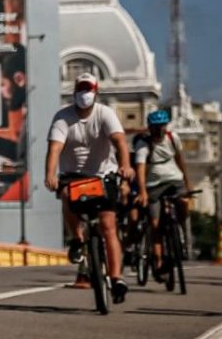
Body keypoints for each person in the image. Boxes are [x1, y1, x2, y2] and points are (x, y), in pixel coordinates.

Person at [45, 73, 134, 304]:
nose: (84, 94)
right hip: (73, 176)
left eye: (88, 89)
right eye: (80, 89)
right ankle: (77, 238)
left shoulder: (105, 114)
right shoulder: (63, 117)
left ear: (96, 92)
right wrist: (50, 175)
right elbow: (54, 149)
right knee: (65, 195)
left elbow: (120, 142)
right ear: (74, 92)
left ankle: (116, 278)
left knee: (108, 226)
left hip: (103, 174)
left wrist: (125, 166)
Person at [134, 110, 193, 281]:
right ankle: (159, 261)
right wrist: (142, 190)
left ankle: (179, 226)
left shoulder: (173, 138)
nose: (159, 130)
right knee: (155, 224)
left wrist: (188, 181)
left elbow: (180, 159)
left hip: (175, 180)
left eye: (162, 127)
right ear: (150, 128)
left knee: (183, 202)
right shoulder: (143, 145)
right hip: (153, 185)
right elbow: (140, 167)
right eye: (155, 127)